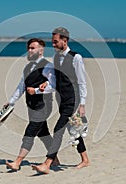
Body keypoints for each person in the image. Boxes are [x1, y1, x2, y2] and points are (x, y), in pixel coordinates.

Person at [32, 27, 90, 174]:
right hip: (61, 100)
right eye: (52, 42)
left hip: (73, 100)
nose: (53, 44)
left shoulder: (76, 58)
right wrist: (42, 87)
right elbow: (56, 82)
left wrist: (82, 104)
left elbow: (82, 82)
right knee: (74, 129)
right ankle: (85, 160)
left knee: (58, 130)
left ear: (65, 41)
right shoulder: (56, 57)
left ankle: (47, 163)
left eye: (55, 41)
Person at [5, 38, 59, 171]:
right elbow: (21, 86)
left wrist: (35, 91)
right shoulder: (27, 67)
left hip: (43, 105)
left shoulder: (48, 66)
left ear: (41, 50)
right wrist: (11, 101)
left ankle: (17, 162)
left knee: (30, 132)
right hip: (31, 105)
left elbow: (53, 86)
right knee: (43, 133)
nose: (29, 50)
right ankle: (55, 159)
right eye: (28, 48)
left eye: (33, 48)